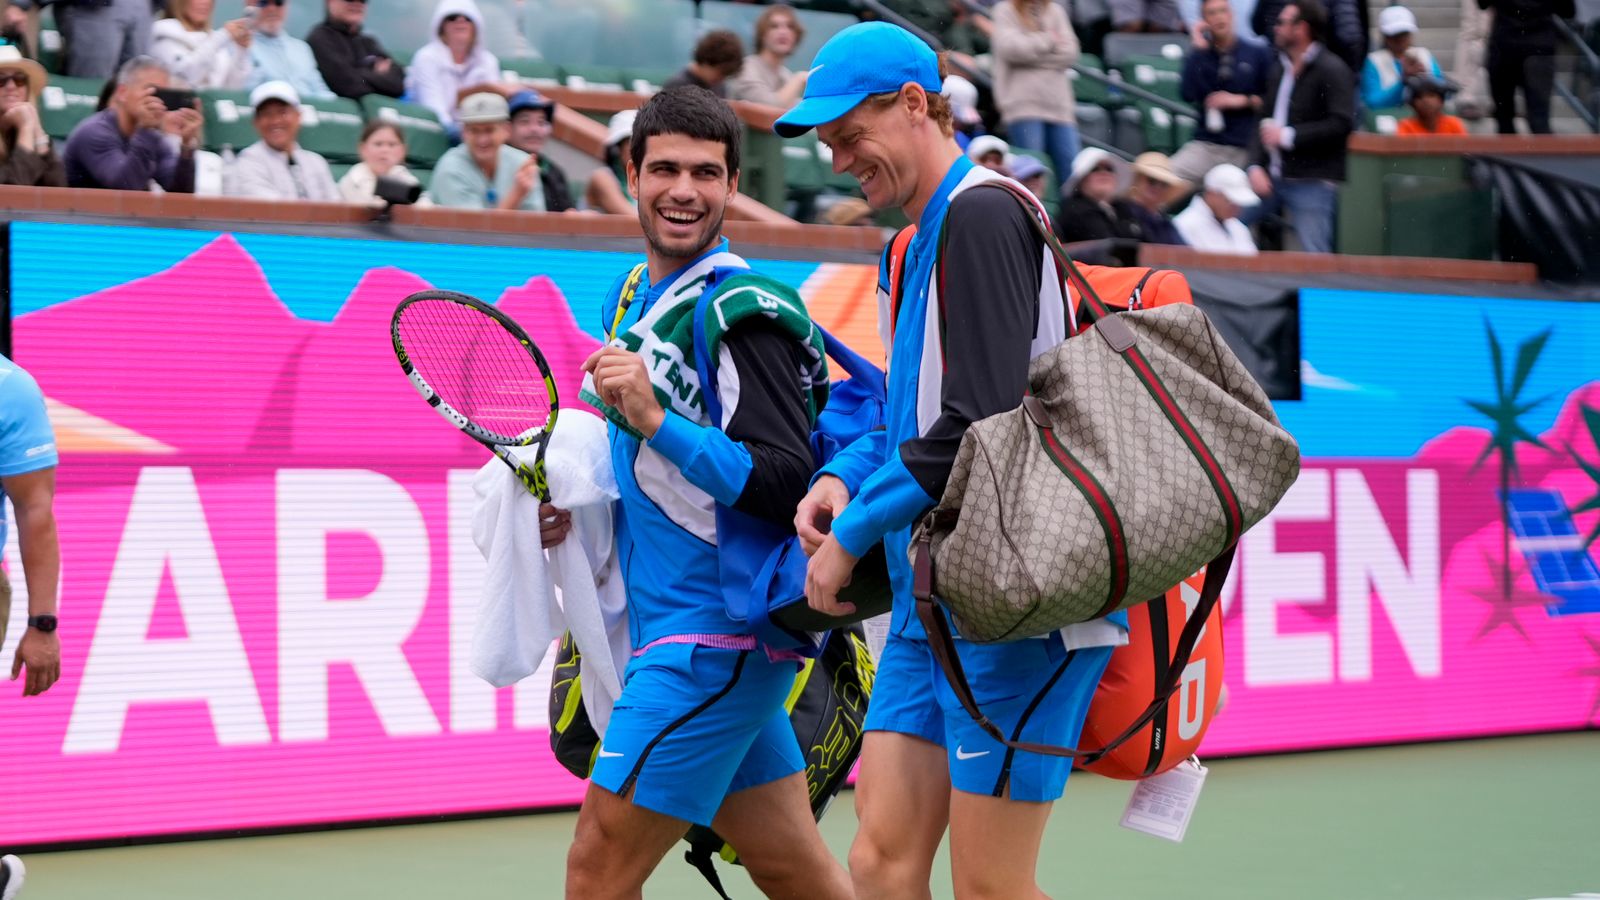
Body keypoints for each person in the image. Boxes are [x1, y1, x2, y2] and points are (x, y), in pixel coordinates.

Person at [774, 22, 1125, 899]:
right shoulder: (917, 237)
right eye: (828, 143)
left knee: (992, 888)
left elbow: (982, 418)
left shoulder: (980, 213)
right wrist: (843, 477)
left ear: (917, 105)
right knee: (881, 865)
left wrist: (852, 532)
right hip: (938, 602)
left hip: (1014, 606)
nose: (841, 158)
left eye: (851, 134)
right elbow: (913, 413)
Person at [553, 85, 853, 900]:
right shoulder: (634, 298)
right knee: (793, 867)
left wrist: (656, 419)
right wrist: (571, 512)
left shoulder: (740, 310)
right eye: (665, 169)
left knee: (596, 867)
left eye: (706, 173)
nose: (683, 190)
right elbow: (646, 486)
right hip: (683, 641)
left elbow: (785, 479)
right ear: (631, 172)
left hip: (711, 646)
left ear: (732, 185)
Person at [1246, 0, 1353, 254]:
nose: (1276, 27)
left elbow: (1341, 123)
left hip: (1312, 181)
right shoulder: (1278, 68)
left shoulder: (1332, 69)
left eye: (1282, 23)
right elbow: (1262, 120)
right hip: (1270, 177)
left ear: (1301, 28)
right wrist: (1253, 166)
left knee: (1314, 255)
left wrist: (1290, 136)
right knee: (1226, 221)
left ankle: (1322, 295)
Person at [1171, 0, 1273, 186]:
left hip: (1244, 148)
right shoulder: (1200, 55)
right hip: (1207, 145)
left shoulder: (1257, 53)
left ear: (1232, 15)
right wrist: (1196, 51)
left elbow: (1272, 101)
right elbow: (1188, 93)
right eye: (1212, 13)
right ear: (1204, 21)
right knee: (1165, 179)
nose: (1219, 17)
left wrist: (1242, 100)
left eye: (1222, 11)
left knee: (1230, 192)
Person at [62, 56, 199, 192]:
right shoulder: (94, 132)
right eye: (151, 91)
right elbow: (125, 188)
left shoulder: (154, 137)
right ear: (122, 93)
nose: (158, 101)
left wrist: (187, 146)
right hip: (84, 212)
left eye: (163, 94)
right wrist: (145, 129)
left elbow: (180, 194)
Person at [991, 0, 1081, 185]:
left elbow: (1071, 52)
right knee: (1029, 173)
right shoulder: (1005, 10)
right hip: (1023, 106)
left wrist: (1032, 56)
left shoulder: (1055, 10)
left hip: (1059, 107)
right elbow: (1012, 49)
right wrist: (1049, 40)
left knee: (1071, 174)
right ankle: (1031, 214)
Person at [405, 0, 514, 134]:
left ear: (476, 26)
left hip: (481, 134)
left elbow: (493, 105)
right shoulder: (426, 58)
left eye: (468, 18)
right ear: (441, 27)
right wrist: (459, 133)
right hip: (437, 135)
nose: (460, 20)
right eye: (452, 17)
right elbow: (433, 108)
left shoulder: (488, 61)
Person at [430, 91, 549, 211]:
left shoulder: (522, 163)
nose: (482, 139)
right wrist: (516, 195)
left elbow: (535, 225)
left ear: (506, 130)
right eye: (474, 131)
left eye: (489, 130)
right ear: (464, 133)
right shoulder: (450, 168)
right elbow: (473, 228)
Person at [227, 80, 339, 201]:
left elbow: (337, 209)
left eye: (283, 112)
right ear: (255, 122)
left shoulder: (316, 162)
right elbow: (273, 214)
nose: (275, 121)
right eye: (266, 114)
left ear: (298, 116)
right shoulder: (248, 161)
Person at [1481, 0, 1575, 134]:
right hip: (1539, 47)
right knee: (1539, 119)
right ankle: (1544, 153)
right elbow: (1568, 11)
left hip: (1505, 46)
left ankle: (1507, 153)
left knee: (1504, 118)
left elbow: (1482, 4)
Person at [6, 0, 149, 79]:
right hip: (92, 9)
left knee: (137, 83)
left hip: (141, 7)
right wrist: (21, 3)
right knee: (92, 89)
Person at [307, 0, 406, 102]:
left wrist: (359, 73)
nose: (357, 4)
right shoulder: (320, 38)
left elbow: (399, 85)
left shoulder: (369, 42)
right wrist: (376, 75)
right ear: (329, 2)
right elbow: (348, 85)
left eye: (363, 0)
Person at [151, 0, 252, 91]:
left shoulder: (214, 38)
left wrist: (241, 51)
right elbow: (186, 75)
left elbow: (231, 88)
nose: (205, 2)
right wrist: (223, 36)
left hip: (214, 108)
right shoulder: (164, 35)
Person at [0, 44, 63, 186]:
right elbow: (12, 197)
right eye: (1, 80)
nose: (11, 86)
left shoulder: (26, 124)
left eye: (19, 79)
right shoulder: (25, 127)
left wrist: (37, 132)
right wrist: (26, 129)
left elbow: (58, 189)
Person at [246, 0, 334, 100]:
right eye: (263, 3)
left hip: (307, 112)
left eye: (279, 3)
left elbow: (321, 91)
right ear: (249, 6)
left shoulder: (302, 49)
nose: (272, 9)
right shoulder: (241, 48)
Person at [1360, 5, 1443, 110]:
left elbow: (1442, 94)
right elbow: (1373, 102)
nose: (1400, 39)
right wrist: (1403, 81)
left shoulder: (1424, 55)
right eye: (1394, 34)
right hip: (1388, 120)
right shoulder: (1373, 61)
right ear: (1385, 36)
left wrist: (1426, 79)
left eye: (1404, 34)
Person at [505, 89, 574, 213]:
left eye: (541, 122)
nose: (534, 129)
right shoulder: (496, 164)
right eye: (524, 122)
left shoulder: (554, 172)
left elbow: (566, 213)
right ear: (508, 128)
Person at [1056, 146, 1144, 243]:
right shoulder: (1074, 209)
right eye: (1095, 169)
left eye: (1109, 169)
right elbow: (1108, 248)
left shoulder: (1122, 208)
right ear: (1081, 180)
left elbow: (1146, 244)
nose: (1104, 173)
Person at [729, 4, 809, 108]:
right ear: (762, 34)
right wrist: (799, 78)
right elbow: (770, 108)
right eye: (774, 26)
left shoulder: (785, 75)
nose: (783, 32)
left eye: (790, 27)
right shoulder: (746, 67)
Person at [1173, 161, 1259, 252]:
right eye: (1230, 200)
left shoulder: (1239, 228)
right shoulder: (1185, 225)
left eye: (1239, 202)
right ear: (1211, 193)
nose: (1236, 206)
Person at [339, 120, 428, 206]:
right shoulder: (353, 179)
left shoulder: (405, 178)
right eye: (378, 144)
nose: (385, 150)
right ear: (362, 148)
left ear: (403, 150)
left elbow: (426, 209)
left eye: (392, 144)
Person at [1127, 150, 1187, 244]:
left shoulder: (1164, 223)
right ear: (1137, 180)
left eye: (1164, 184)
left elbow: (1185, 253)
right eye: (1152, 180)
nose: (1158, 187)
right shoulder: (1123, 215)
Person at [584, 108, 636, 215]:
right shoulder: (601, 178)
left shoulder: (642, 179)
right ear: (616, 149)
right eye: (632, 142)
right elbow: (632, 219)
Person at [663, 29, 743, 98]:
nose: (721, 78)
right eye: (720, 72)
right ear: (706, 61)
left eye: (726, 75)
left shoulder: (719, 87)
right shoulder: (677, 86)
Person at [1396, 73, 1469, 135]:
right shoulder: (1406, 127)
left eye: (1431, 95)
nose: (1425, 101)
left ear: (1441, 100)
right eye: (1419, 97)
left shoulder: (1454, 124)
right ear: (1412, 104)